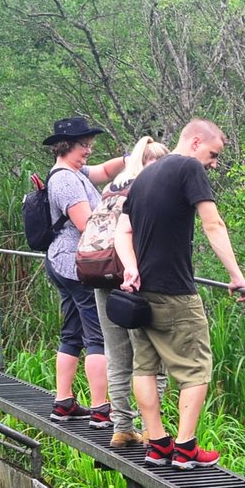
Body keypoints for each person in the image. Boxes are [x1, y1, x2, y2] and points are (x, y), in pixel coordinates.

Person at [114, 118, 245, 469]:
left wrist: (131, 268)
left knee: (144, 365)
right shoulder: (189, 168)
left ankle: (157, 443)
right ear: (194, 142)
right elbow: (213, 223)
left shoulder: (144, 175)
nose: (214, 163)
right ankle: (186, 447)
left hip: (141, 295)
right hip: (174, 292)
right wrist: (237, 277)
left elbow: (123, 231)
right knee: (197, 368)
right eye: (213, 154)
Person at [41, 116, 129, 423]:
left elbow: (104, 171)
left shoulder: (73, 171)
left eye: (89, 145)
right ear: (65, 146)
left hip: (62, 262)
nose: (88, 150)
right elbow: (86, 225)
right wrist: (119, 209)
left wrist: (131, 160)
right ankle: (101, 408)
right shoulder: (65, 180)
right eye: (83, 145)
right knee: (97, 337)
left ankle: (63, 401)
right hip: (76, 265)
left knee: (72, 333)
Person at [86, 136, 169, 448]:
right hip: (134, 281)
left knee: (117, 357)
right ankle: (152, 430)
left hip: (101, 274)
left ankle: (121, 428)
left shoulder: (112, 189)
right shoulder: (148, 190)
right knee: (151, 360)